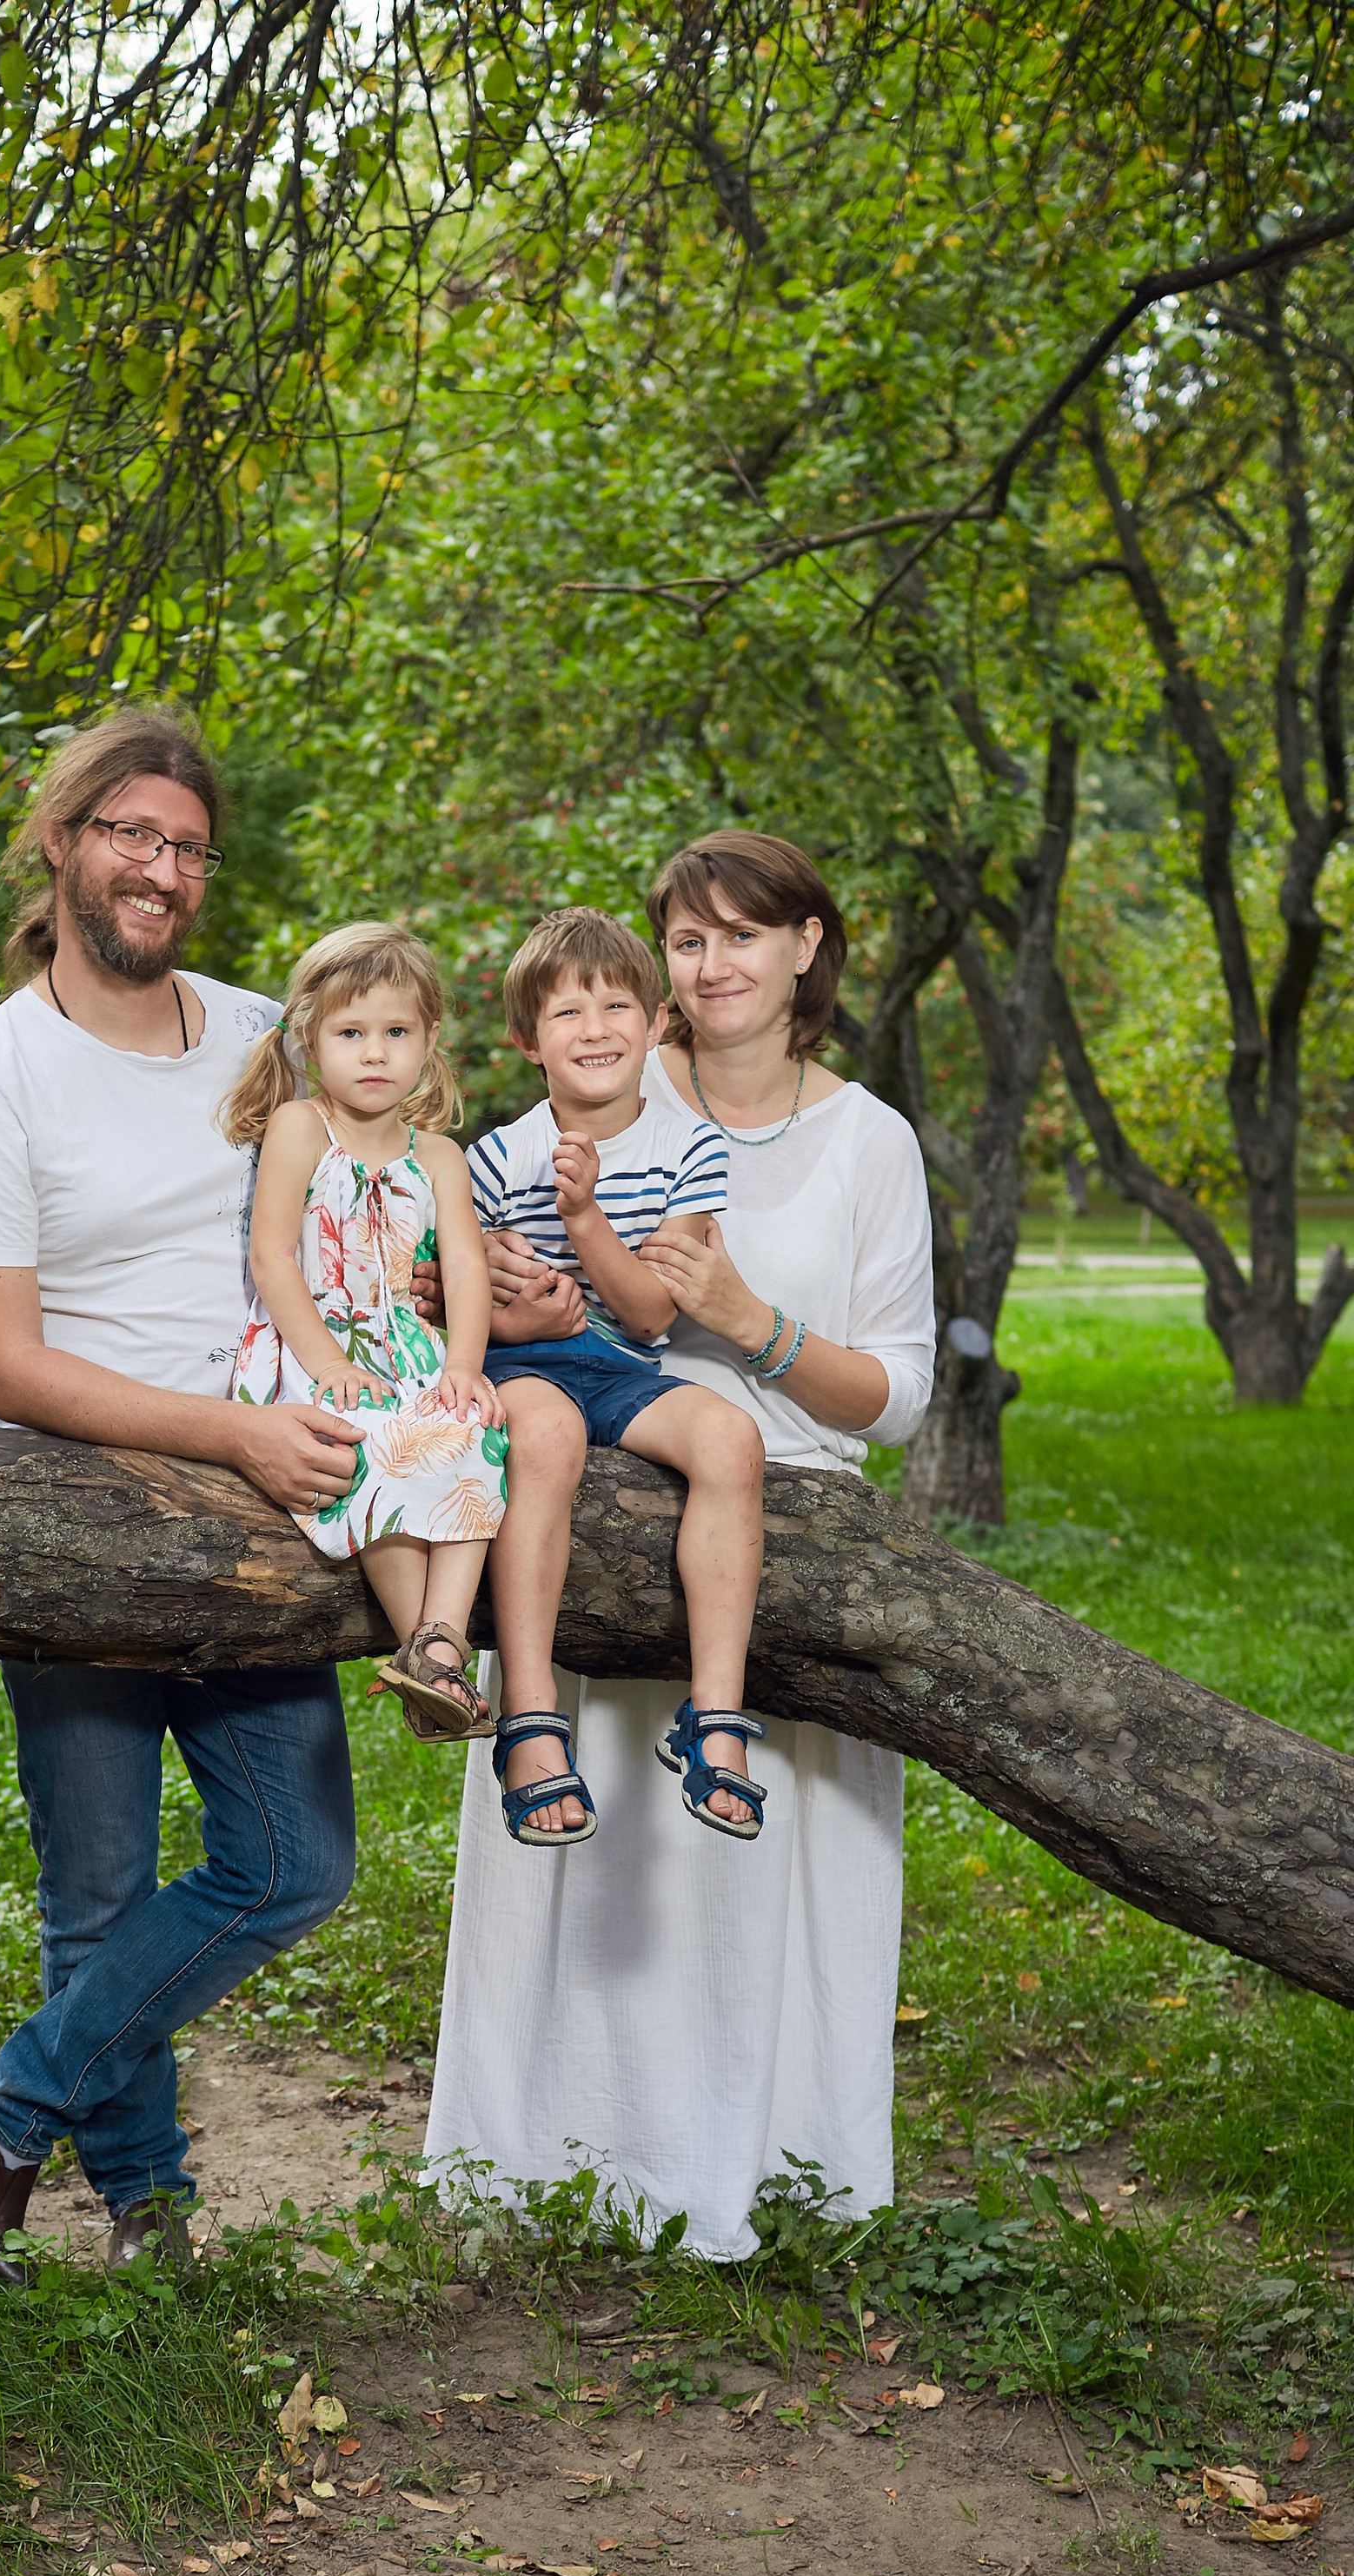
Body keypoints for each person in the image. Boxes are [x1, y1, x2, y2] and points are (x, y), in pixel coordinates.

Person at [0, 705, 373, 2284]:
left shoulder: (260, 1035)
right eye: (131, 835)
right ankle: (152, 2205)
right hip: (73, 1522)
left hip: (258, 1528)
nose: (160, 868)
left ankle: (0, 2097)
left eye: (186, 846)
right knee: (97, 1883)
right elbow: (6, 1363)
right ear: (64, 842)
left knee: (294, 1864)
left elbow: (366, 1204)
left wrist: (484, 1257)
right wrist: (219, 1435)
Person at [426, 834, 935, 2255]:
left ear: (808, 950)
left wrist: (753, 1322)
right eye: (688, 941)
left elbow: (899, 1400)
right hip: (587, 1505)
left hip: (790, 1511)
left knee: (756, 1872)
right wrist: (506, 1302)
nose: (712, 967)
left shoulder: (867, 1141)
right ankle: (561, 2165)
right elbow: (465, 1263)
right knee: (598, 1873)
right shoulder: (586, 1105)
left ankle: (772, 2173)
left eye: (743, 937)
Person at [468, 907, 772, 1846]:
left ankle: (713, 1718)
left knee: (729, 1437)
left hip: (619, 1366)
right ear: (527, 1040)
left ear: (654, 1023)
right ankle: (529, 1719)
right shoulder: (490, 1159)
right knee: (543, 1437)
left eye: (614, 1007)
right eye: (565, 1013)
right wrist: (509, 1298)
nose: (593, 1029)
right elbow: (449, 1301)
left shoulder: (690, 1148)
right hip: (519, 1368)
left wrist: (585, 1216)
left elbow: (648, 1315)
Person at [225, 923, 506, 1741]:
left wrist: (463, 1365)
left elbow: (465, 1271)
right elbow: (274, 1259)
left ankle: (439, 1647)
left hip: (407, 1347)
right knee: (370, 1440)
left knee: (473, 1431)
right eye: (352, 1033)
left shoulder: (442, 1158)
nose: (374, 1053)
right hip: (311, 1344)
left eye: (396, 1033)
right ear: (312, 1039)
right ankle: (426, 1656)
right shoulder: (301, 1128)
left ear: (429, 1043)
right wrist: (329, 1363)